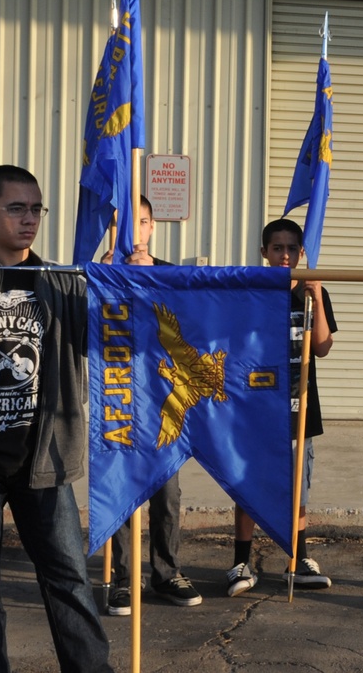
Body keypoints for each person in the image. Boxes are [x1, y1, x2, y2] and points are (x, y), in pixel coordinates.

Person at [0, 165, 114, 672]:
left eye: (36, 209)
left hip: (45, 461)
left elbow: (110, 340)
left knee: (70, 581)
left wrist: (123, 282)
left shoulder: (63, 285)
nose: (29, 219)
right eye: (17, 208)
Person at [226, 218, 338, 596]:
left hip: (298, 408)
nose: (285, 255)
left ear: (302, 252)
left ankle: (298, 558)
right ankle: (241, 560)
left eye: (292, 248)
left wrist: (317, 295)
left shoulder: (310, 292)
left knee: (296, 492)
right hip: (256, 409)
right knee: (249, 488)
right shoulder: (249, 292)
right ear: (264, 253)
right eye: (277, 248)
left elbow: (322, 346)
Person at [103, 196, 202, 615]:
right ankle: (122, 579)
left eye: (141, 222)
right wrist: (105, 277)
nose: (133, 231)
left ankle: (166, 572)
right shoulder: (99, 274)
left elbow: (192, 325)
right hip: (119, 399)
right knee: (122, 491)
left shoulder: (169, 275)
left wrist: (152, 281)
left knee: (167, 493)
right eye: (124, 224)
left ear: (152, 227)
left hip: (162, 402)